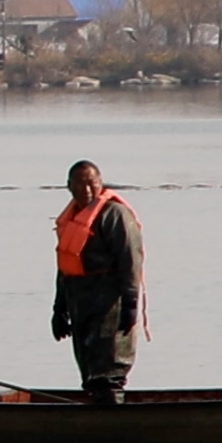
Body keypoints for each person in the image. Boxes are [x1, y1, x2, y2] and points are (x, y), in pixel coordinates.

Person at [50, 160, 144, 405]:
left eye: (92, 183)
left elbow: (130, 261)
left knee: (109, 374)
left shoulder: (115, 215)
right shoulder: (72, 219)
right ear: (69, 187)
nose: (87, 190)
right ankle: (96, 415)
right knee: (91, 375)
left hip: (110, 304)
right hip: (81, 304)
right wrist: (59, 308)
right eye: (80, 184)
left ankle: (113, 421)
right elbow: (65, 266)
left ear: (101, 184)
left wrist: (131, 304)